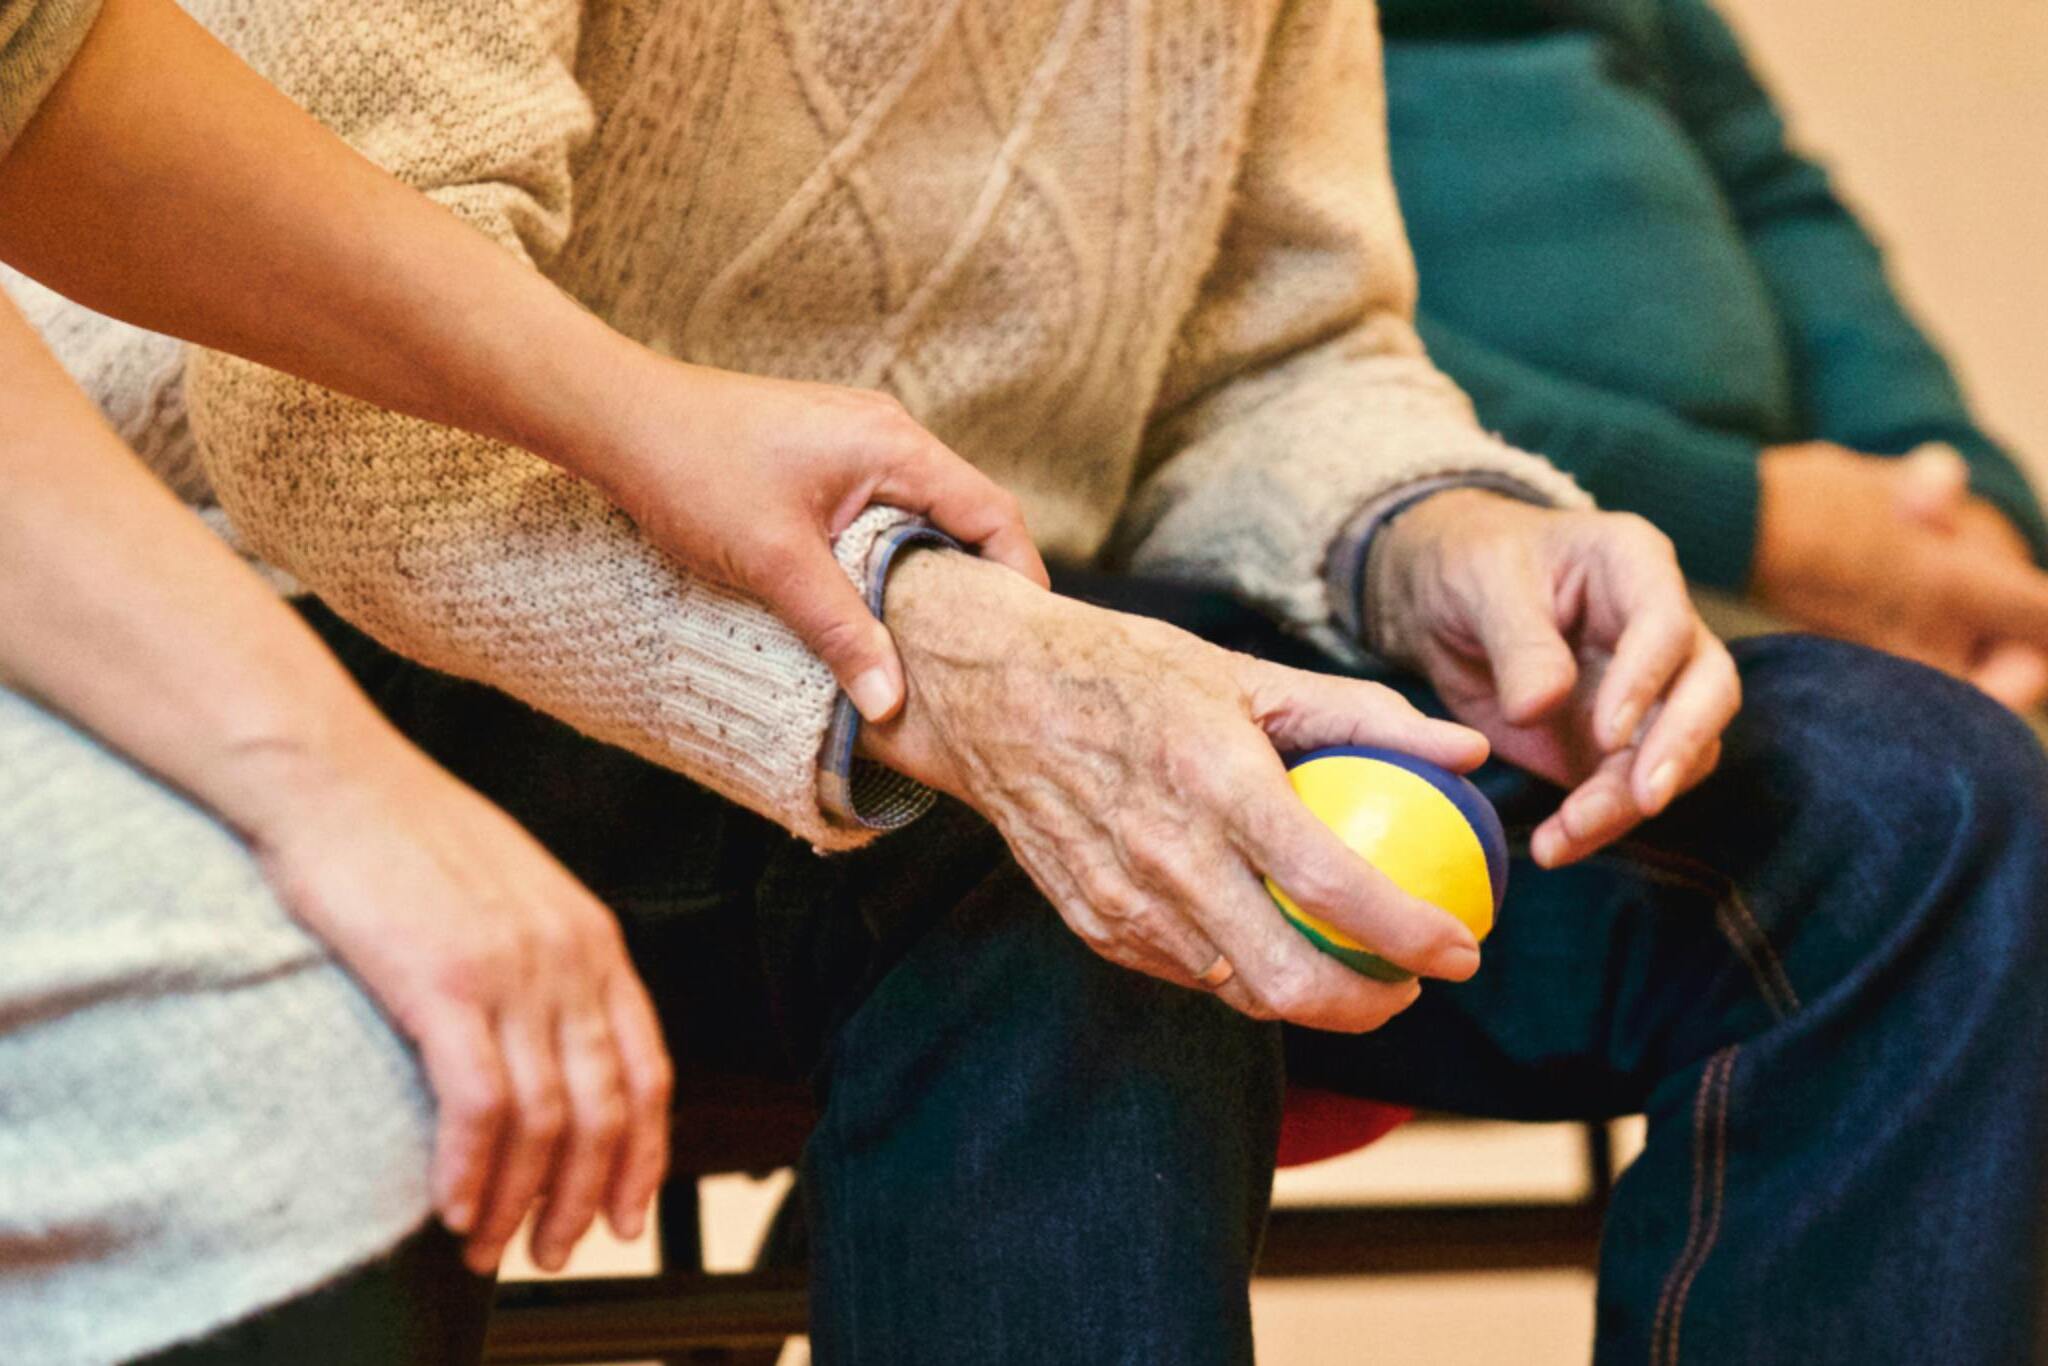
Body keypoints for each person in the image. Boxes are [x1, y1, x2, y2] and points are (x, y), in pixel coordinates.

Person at [22, 1, 2048, 1364]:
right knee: (1088, 860)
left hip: (1031, 615)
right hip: (426, 618)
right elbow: (323, 414)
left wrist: (1440, 536)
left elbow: (1280, 349)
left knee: (1912, 807)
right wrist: (945, 655)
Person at [0, 0, 1038, 1359]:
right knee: (300, 1101)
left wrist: (643, 411)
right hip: (257, 581)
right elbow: (307, 435)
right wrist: (343, 787)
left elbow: (38, 72)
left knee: (1056, 853)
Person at [1378, 0, 2048, 709]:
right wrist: (1750, 520)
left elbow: (1774, 196)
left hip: (1825, 545)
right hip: (1494, 569)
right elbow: (1301, 344)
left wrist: (1957, 494)